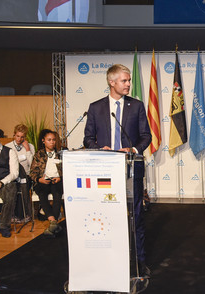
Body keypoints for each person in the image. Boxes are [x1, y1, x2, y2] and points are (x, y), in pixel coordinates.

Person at [83, 63, 152, 276]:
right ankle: (107, 261)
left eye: (129, 80)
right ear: (111, 82)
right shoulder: (96, 107)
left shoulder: (137, 106)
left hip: (131, 169)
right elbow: (88, 138)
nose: (128, 84)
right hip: (104, 171)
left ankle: (138, 263)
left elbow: (146, 136)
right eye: (124, 80)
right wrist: (99, 149)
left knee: (135, 217)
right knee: (106, 216)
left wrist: (132, 149)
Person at [30, 129, 63, 237]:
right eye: (49, 140)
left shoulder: (60, 153)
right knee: (42, 193)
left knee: (57, 193)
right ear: (44, 141)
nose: (52, 142)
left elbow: (67, 169)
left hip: (57, 180)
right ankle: (53, 221)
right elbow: (32, 172)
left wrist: (60, 177)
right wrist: (39, 179)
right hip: (43, 180)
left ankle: (53, 223)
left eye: (53, 140)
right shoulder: (39, 154)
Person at [5, 124, 35, 223]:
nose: (19, 139)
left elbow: (32, 164)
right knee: (13, 187)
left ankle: (26, 214)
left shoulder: (29, 146)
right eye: (17, 136)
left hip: (26, 175)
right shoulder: (8, 147)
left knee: (24, 184)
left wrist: (27, 150)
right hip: (13, 175)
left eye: (22, 137)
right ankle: (14, 214)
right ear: (14, 135)